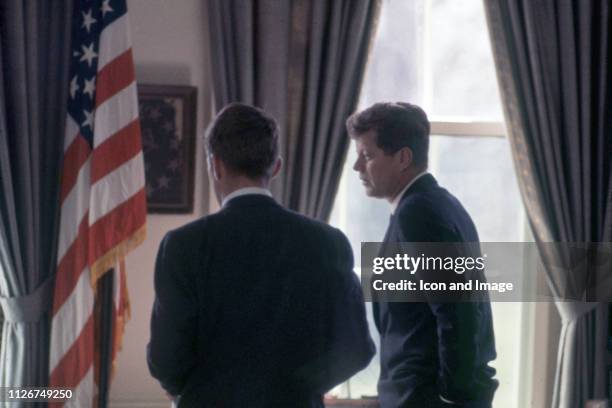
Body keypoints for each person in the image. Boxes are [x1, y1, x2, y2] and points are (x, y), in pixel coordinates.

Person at [147, 103, 375, 408]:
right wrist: (297, 387)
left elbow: (166, 360)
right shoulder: (328, 242)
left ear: (215, 165)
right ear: (276, 166)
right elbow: (356, 350)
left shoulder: (182, 245)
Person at [347, 102, 498, 408]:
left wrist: (452, 394)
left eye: (367, 156)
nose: (357, 167)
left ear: (403, 158)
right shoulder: (438, 204)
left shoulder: (418, 213)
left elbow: (457, 310)